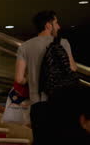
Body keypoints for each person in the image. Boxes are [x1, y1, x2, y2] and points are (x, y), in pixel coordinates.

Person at [14, 10, 77, 145]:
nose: (58, 26)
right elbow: (72, 68)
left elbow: (19, 79)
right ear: (48, 25)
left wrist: (31, 77)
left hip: (38, 105)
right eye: (56, 23)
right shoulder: (63, 43)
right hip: (61, 102)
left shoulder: (24, 47)